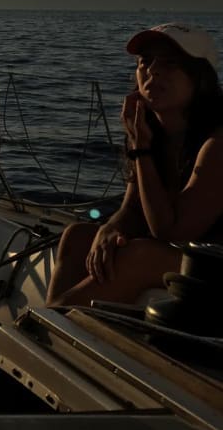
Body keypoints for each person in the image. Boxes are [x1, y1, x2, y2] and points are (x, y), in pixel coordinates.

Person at [47, 23, 223, 307]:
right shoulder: (151, 132)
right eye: (145, 62)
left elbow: (171, 231)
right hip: (190, 255)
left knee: (140, 256)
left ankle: (45, 330)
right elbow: (132, 208)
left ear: (199, 77)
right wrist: (111, 227)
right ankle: (57, 330)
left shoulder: (217, 142)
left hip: (213, 262)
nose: (152, 70)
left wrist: (141, 148)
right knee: (79, 236)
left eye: (170, 63)